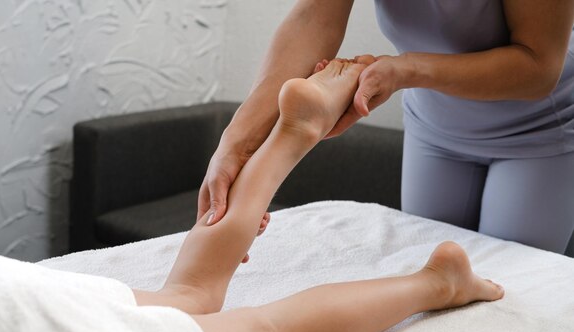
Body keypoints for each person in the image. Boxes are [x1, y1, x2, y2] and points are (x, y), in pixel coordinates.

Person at [134, 59, 505, 332]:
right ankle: (292, 134)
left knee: (261, 326)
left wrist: (404, 69)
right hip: (76, 309)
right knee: (188, 293)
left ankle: (438, 283)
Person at [197, 0, 574, 258]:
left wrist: (406, 70)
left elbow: (537, 66)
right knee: (431, 274)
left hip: (539, 130)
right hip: (435, 127)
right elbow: (314, 17)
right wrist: (236, 141)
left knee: (510, 287)